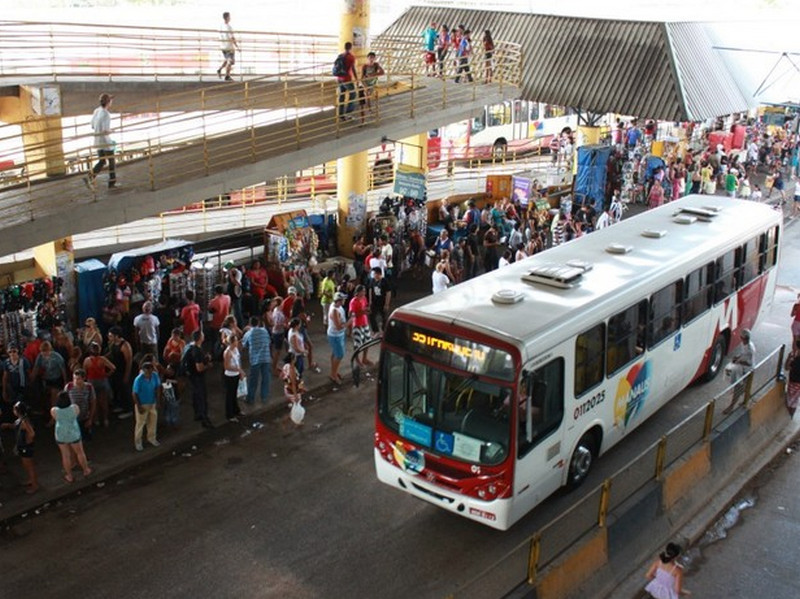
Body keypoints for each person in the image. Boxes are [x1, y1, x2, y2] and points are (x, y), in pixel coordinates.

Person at [51, 391, 92, 482]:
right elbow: (77, 413)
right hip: (73, 432)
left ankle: (69, 475)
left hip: (61, 434)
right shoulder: (74, 408)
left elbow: (54, 418)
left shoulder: (54, 410)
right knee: (80, 452)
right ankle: (85, 470)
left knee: (65, 455)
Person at [2, 401, 38, 493]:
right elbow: (16, 426)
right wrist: (9, 425)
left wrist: (27, 441)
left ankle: (34, 485)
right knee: (26, 465)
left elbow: (32, 433)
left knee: (29, 466)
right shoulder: (20, 420)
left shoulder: (24, 421)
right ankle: (31, 480)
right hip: (22, 446)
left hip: (26, 447)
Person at [85, 93, 118, 189]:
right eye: (110, 100)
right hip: (105, 142)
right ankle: (112, 183)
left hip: (97, 141)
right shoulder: (106, 114)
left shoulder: (96, 111)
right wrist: (112, 131)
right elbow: (105, 131)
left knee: (102, 161)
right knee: (111, 162)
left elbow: (92, 126)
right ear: (108, 102)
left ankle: (90, 176)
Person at [723, 328, 756, 414]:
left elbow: (749, 363)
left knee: (738, 389)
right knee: (743, 387)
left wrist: (739, 361)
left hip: (747, 371)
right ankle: (746, 399)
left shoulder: (750, 349)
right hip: (742, 370)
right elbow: (742, 354)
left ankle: (731, 407)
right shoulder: (744, 344)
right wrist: (737, 357)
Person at [33, 341, 68, 420]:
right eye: (43, 352)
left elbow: (63, 370)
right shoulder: (40, 356)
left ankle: (54, 419)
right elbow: (36, 368)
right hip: (46, 379)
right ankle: (47, 413)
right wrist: (32, 379)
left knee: (54, 400)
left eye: (46, 351)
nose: (44, 354)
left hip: (56, 379)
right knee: (46, 398)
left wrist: (65, 381)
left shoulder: (57, 357)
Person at [241, 316, 272, 407]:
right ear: (258, 323)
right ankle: (264, 396)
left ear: (250, 324)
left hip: (255, 360)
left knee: (253, 380)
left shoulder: (249, 334)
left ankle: (250, 398)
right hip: (266, 357)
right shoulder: (264, 331)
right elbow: (269, 341)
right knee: (266, 378)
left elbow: (244, 345)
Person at [185, 330, 213, 429]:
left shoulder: (191, 347)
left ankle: (197, 415)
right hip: (198, 377)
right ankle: (204, 419)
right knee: (202, 398)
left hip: (192, 376)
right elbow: (199, 368)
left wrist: (205, 359)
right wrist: (208, 365)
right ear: (200, 338)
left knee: (196, 396)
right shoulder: (197, 351)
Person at [83, 342, 114, 428]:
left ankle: (95, 419)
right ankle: (105, 419)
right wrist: (107, 374)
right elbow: (113, 368)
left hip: (91, 382)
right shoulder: (102, 359)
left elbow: (84, 372)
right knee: (104, 402)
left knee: (93, 402)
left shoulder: (87, 360)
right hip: (102, 381)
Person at [131, 361, 161, 451]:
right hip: (142, 403)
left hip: (152, 402)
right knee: (140, 424)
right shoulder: (138, 379)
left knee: (153, 421)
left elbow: (158, 387)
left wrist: (158, 401)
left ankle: (151, 438)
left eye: (150, 370)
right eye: (146, 370)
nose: (148, 373)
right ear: (143, 370)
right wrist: (139, 406)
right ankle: (138, 442)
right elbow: (134, 393)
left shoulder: (155, 376)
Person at [107, 326, 134, 418]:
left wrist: (127, 375)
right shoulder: (113, 343)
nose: (109, 337)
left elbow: (129, 361)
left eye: (111, 336)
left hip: (123, 371)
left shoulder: (125, 345)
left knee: (125, 390)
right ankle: (121, 406)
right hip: (116, 371)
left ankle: (129, 409)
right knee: (118, 389)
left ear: (117, 336)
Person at [64, 369, 97, 441]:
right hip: (72, 418)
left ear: (84, 378)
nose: (76, 381)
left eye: (78, 379)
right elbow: (64, 402)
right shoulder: (69, 387)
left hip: (84, 416)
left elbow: (93, 402)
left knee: (86, 438)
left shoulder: (89, 387)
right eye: (74, 379)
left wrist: (90, 418)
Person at [327, 292, 351, 384]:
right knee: (339, 354)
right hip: (335, 335)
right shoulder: (334, 310)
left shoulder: (338, 307)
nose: (344, 301)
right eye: (343, 299)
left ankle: (334, 372)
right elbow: (338, 326)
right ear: (339, 301)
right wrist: (350, 322)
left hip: (339, 334)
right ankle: (333, 374)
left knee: (335, 353)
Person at [222, 333, 245, 422]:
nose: (237, 342)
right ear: (232, 342)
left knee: (234, 394)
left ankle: (236, 410)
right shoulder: (227, 352)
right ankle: (230, 414)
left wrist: (240, 371)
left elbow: (238, 361)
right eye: (235, 341)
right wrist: (238, 370)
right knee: (230, 395)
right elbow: (226, 366)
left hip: (235, 374)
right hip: (230, 376)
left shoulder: (235, 349)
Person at [349, 285, 372, 367]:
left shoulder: (364, 298)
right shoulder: (353, 301)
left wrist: (366, 310)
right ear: (358, 292)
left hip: (364, 322)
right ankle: (357, 359)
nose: (364, 293)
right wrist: (363, 312)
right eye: (363, 291)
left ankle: (364, 358)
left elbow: (366, 307)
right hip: (357, 324)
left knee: (368, 341)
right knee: (358, 344)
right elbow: (351, 314)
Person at [336, 42, 358, 121]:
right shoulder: (351, 57)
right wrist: (357, 79)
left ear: (344, 47)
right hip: (347, 79)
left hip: (339, 79)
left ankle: (341, 114)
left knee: (342, 96)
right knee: (353, 94)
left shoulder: (340, 56)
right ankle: (348, 113)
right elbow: (353, 69)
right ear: (351, 48)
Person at [359, 52, 385, 119]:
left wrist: (373, 75)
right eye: (370, 57)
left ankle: (369, 109)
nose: (371, 59)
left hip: (372, 83)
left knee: (369, 96)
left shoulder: (376, 65)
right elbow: (361, 78)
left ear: (375, 58)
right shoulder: (364, 66)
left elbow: (382, 72)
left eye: (373, 58)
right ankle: (368, 110)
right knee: (366, 96)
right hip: (365, 83)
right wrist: (365, 87)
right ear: (367, 58)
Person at [217, 11, 239, 81]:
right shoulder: (228, 27)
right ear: (227, 17)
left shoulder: (221, 26)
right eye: (229, 16)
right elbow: (232, 38)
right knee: (230, 61)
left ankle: (219, 69)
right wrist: (237, 46)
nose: (230, 18)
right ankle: (227, 76)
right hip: (229, 46)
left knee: (226, 59)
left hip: (223, 46)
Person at [368, 267, 390, 335]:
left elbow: (388, 293)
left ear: (378, 274)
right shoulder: (372, 281)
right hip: (374, 302)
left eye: (374, 273)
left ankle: (384, 331)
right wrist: (370, 300)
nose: (373, 275)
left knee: (384, 317)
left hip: (382, 302)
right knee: (371, 316)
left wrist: (386, 304)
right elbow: (370, 290)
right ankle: (375, 330)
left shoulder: (384, 281)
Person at [225, 262, 244, 328]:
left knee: (237, 311)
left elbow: (235, 282)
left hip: (236, 294)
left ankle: (240, 326)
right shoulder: (230, 273)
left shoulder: (238, 273)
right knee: (231, 310)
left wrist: (230, 275)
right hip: (230, 293)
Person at [784, 339, 800, 417]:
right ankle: (791, 415)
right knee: (795, 401)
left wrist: (788, 358)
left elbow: (786, 368)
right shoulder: (796, 359)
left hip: (793, 383)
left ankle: (789, 416)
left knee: (790, 402)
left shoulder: (795, 360)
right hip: (798, 384)